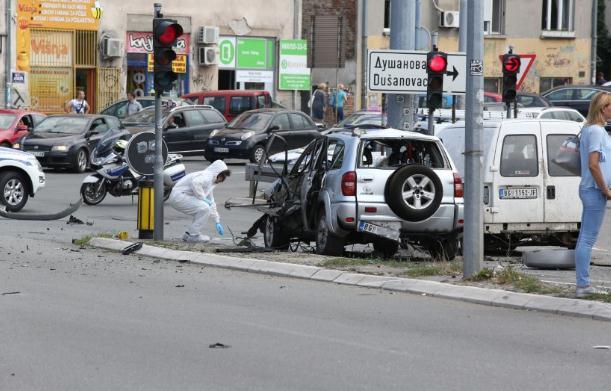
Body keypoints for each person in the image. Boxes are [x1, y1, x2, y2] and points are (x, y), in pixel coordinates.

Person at [574, 92, 611, 298]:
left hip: (590, 188)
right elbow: (593, 164)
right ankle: (583, 285)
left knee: (584, 238)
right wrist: (605, 189)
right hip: (595, 190)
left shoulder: (590, 129)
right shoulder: (596, 131)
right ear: (602, 108)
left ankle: (583, 283)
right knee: (588, 239)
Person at [168, 160, 231, 243]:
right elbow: (195, 183)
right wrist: (202, 197)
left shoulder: (210, 183)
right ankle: (193, 235)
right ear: (218, 173)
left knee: (202, 210)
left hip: (179, 197)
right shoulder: (207, 176)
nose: (221, 181)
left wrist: (217, 221)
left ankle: (188, 234)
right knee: (204, 208)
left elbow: (211, 202)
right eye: (222, 177)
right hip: (179, 196)